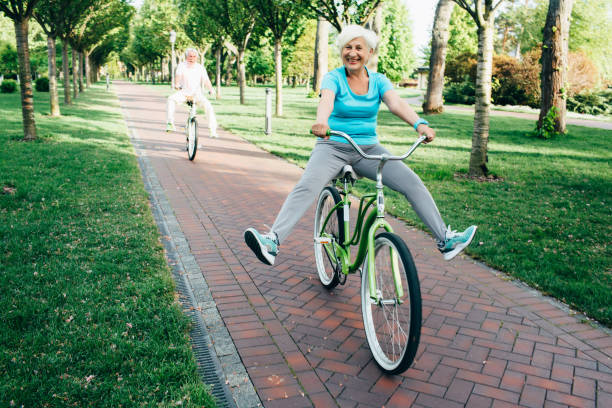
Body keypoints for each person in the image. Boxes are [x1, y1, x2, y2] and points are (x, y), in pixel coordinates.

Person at [244, 25, 476, 266]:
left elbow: (396, 104)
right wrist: (321, 122)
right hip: (332, 146)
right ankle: (272, 241)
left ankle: (446, 240)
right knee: (307, 186)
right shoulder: (334, 77)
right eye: (347, 47)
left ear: (370, 52)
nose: (352, 53)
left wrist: (419, 124)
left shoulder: (378, 81)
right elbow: (326, 100)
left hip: (368, 150)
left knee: (411, 182)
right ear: (341, 51)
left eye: (358, 48)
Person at [166, 48, 218, 138]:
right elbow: (178, 76)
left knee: (209, 107)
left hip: (197, 95)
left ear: (197, 58)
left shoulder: (200, 68)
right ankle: (170, 122)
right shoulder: (181, 66)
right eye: (190, 56)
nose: (192, 58)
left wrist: (211, 89)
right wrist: (177, 84)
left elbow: (206, 80)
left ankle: (212, 130)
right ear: (186, 57)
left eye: (194, 56)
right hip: (183, 93)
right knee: (171, 99)